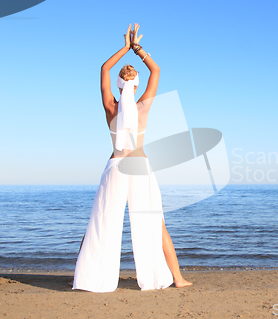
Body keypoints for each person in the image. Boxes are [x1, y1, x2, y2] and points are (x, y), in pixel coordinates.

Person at [72, 23, 192, 292]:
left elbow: (104, 68)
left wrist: (124, 46)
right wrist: (137, 49)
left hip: (115, 167)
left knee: (99, 222)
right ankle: (178, 278)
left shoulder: (110, 107)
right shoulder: (143, 107)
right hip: (139, 167)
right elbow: (157, 70)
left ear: (118, 83)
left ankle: (83, 277)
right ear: (135, 84)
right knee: (156, 223)